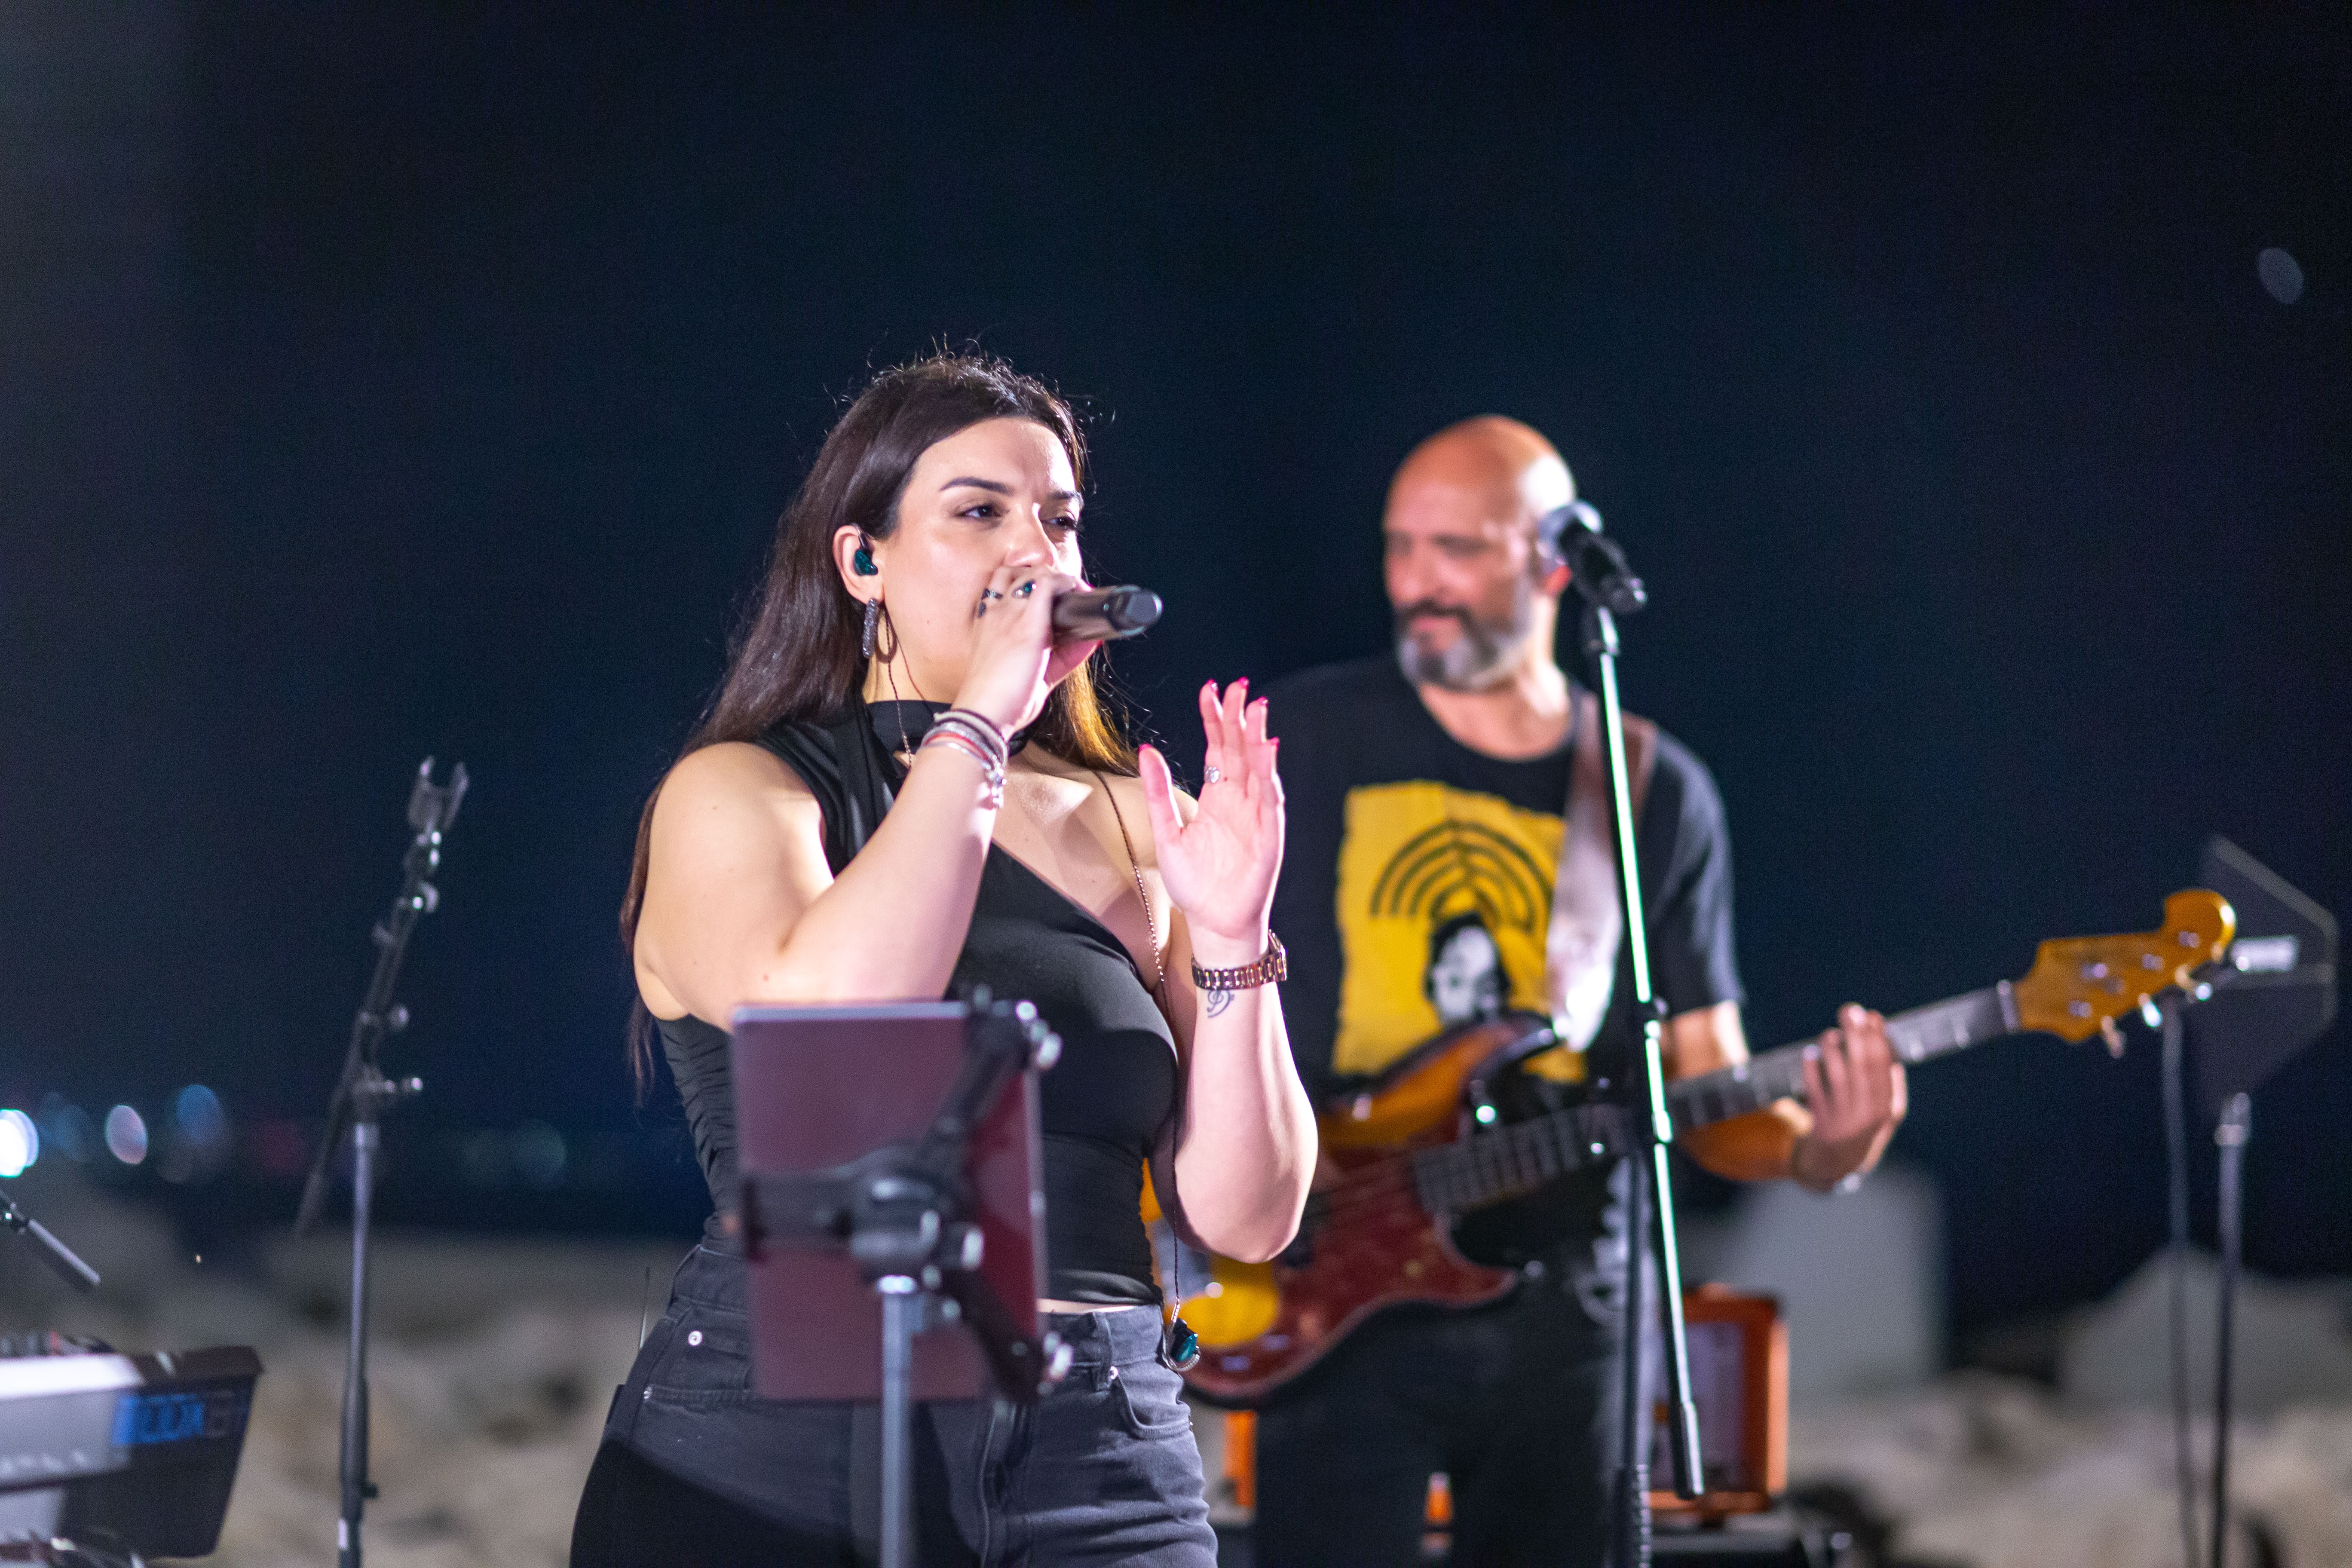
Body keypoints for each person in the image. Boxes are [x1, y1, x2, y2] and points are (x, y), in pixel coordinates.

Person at [571, 352, 1317, 1566]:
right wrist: (978, 725)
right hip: (789, 1438)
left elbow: (1250, 1214)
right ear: (861, 560)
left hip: (1101, 1439)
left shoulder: (1134, 823)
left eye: (1060, 521)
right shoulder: (743, 793)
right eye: (980, 512)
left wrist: (1234, 940)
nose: (1037, 552)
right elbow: (837, 1027)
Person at [1253, 416, 1907, 1568]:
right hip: (1333, 1281)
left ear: (1557, 564)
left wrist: (1820, 1153)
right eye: (1400, 547)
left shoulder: (1649, 789)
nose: (1415, 584)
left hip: (1567, 1311)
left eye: (1457, 549)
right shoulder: (1301, 737)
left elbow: (1702, 1089)